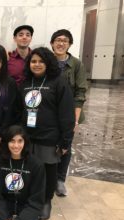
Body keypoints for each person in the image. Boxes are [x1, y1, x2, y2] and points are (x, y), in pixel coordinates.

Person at [20, 47, 75, 220]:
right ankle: (30, 199)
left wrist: (65, 141)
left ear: (48, 63)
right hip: (28, 136)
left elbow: (67, 113)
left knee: (48, 171)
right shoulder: (25, 83)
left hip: (49, 138)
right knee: (29, 171)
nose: (36, 64)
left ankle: (45, 201)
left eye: (41, 61)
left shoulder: (58, 82)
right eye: (33, 61)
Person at [50, 29, 87, 197]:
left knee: (66, 146)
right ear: (52, 43)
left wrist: (75, 119)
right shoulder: (47, 62)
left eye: (65, 40)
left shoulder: (76, 64)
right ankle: (48, 178)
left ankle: (59, 180)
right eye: (57, 40)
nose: (61, 43)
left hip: (70, 114)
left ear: (70, 44)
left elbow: (80, 92)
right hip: (50, 113)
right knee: (50, 146)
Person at [0, 125, 45, 220]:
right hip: (4, 208)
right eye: (12, 141)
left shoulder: (36, 165)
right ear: (6, 142)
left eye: (20, 141)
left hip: (26, 209)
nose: (16, 145)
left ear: (25, 142)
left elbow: (36, 200)